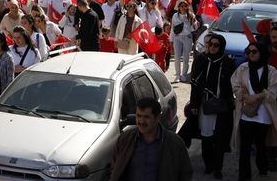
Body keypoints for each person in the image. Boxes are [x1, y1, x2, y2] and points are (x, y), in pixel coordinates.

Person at [179, 34, 234, 179]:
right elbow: (195, 85)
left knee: (220, 139)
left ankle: (218, 168)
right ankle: (209, 165)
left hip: (221, 107)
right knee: (206, 137)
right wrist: (194, 105)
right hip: (204, 106)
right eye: (210, 44)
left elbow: (231, 85)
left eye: (216, 45)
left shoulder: (227, 62)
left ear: (221, 46)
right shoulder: (201, 60)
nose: (212, 47)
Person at [110, 97, 192, 181]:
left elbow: (185, 173)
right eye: (138, 116)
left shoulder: (175, 143)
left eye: (146, 117)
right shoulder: (125, 139)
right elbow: (115, 167)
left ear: (157, 118)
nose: (141, 121)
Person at [230, 42, 277, 181]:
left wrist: (256, 97)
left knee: (261, 145)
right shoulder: (243, 68)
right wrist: (244, 96)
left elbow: (273, 91)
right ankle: (244, 176)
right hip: (246, 114)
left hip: (264, 115)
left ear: (261, 52)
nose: (250, 54)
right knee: (245, 147)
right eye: (248, 51)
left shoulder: (272, 71)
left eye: (254, 51)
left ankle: (262, 167)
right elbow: (235, 85)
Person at [171, 0, 199, 83]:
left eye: (185, 6)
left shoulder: (190, 15)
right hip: (177, 38)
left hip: (187, 38)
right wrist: (171, 40)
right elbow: (173, 28)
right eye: (181, 6)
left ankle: (184, 75)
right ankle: (177, 75)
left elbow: (194, 28)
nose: (183, 8)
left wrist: (195, 23)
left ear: (187, 7)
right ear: (179, 7)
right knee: (177, 57)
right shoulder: (175, 16)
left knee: (186, 57)